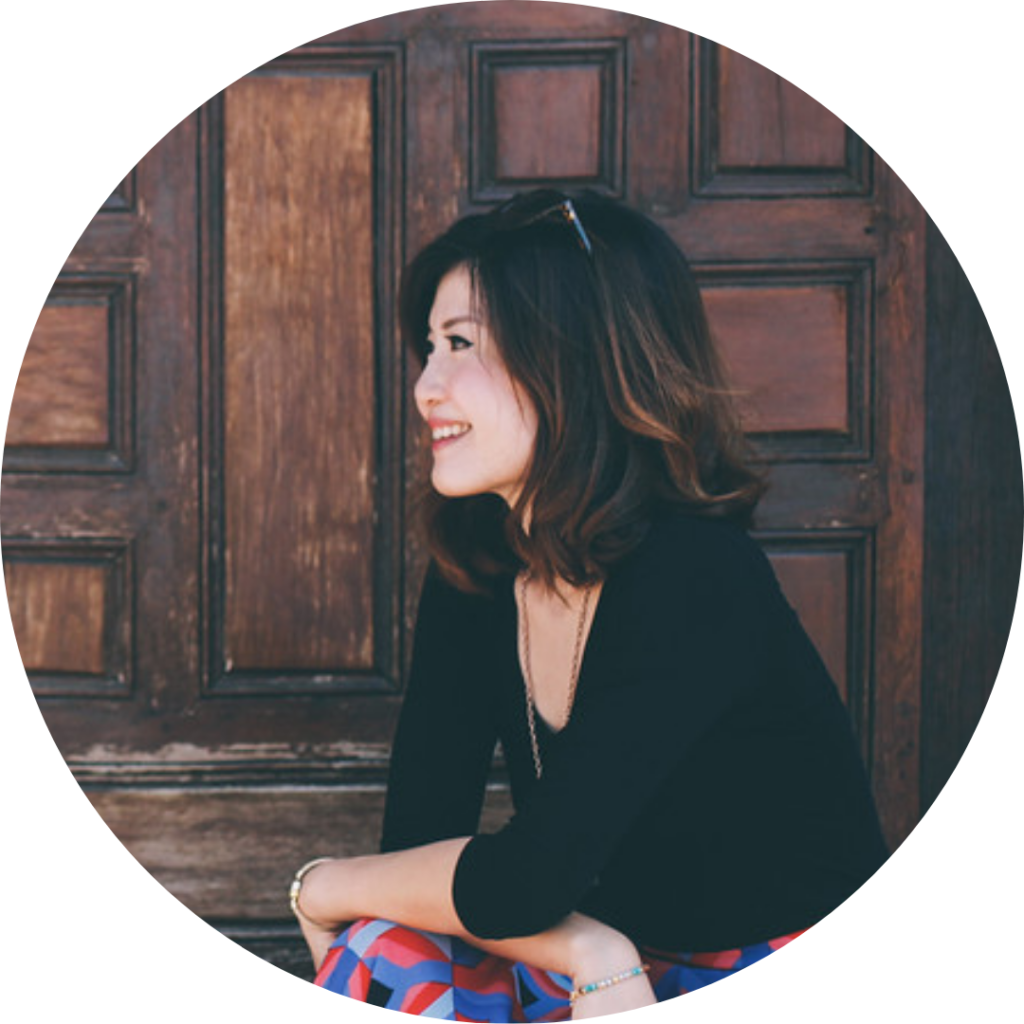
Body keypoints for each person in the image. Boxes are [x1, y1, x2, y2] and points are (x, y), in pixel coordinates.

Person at [288, 189, 889, 1020]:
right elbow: (419, 855)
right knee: (386, 948)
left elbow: (523, 881)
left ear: (575, 359)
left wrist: (323, 886)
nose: (426, 386)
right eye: (428, 349)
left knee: (375, 930)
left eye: (460, 344)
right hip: (614, 958)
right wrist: (589, 952)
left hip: (776, 964)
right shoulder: (480, 561)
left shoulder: (695, 572)